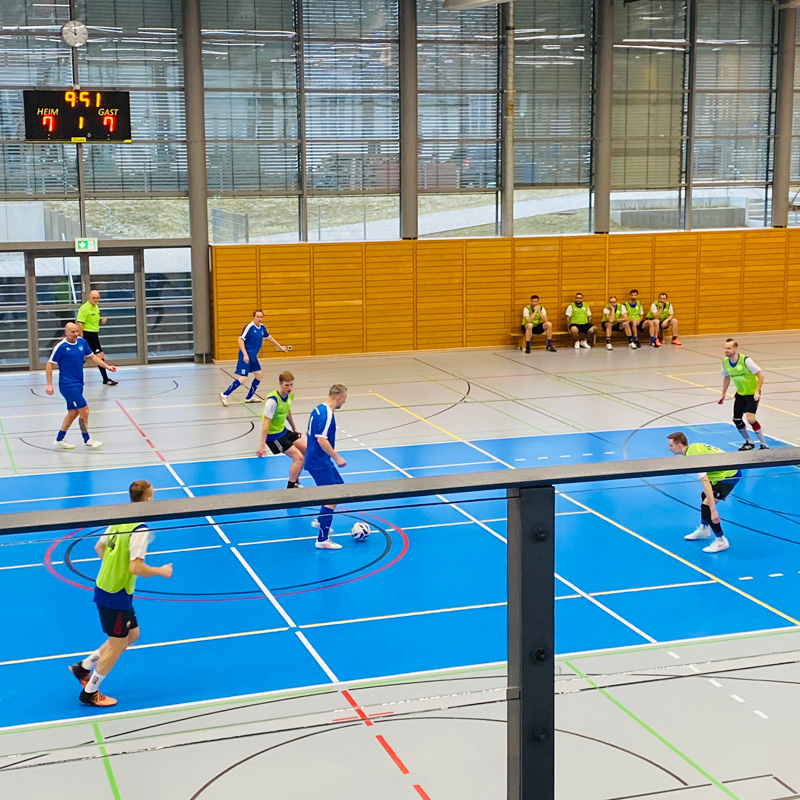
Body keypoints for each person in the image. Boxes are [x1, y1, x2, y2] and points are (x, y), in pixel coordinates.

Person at [68, 480, 173, 707]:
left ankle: (83, 667)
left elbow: (99, 547)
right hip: (114, 593)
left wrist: (113, 566)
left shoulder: (120, 517)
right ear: (147, 499)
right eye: (153, 494)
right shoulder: (139, 529)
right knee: (117, 645)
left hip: (115, 589)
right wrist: (161, 571)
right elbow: (136, 568)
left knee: (131, 636)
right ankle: (90, 692)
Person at [667, 432, 741, 553]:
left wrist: (713, 510)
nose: (669, 448)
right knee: (704, 496)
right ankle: (704, 529)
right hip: (724, 471)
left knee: (707, 506)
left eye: (671, 445)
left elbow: (706, 484)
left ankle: (721, 541)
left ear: (679, 445)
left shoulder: (694, 459)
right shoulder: (694, 447)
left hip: (729, 475)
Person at [46, 322, 116, 449]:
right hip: (67, 384)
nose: (75, 334)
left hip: (78, 383)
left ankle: (59, 439)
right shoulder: (61, 347)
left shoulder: (82, 342)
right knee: (84, 409)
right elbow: (49, 364)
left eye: (77, 331)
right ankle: (87, 439)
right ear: (66, 332)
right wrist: (49, 384)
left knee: (73, 412)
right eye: (72, 332)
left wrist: (107, 367)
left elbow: (93, 357)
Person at [305, 384, 349, 550]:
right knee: (332, 497)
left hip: (319, 459)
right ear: (339, 397)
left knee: (339, 487)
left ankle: (320, 520)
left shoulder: (317, 409)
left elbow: (309, 433)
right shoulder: (328, 414)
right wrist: (337, 457)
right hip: (319, 462)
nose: (344, 402)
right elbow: (321, 439)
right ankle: (322, 539)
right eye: (344, 399)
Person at [220, 311, 288, 406]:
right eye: (257, 316)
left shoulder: (262, 328)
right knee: (243, 378)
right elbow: (240, 340)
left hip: (253, 357)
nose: (259, 318)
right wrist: (245, 354)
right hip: (246, 356)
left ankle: (249, 397)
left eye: (261, 317)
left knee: (259, 375)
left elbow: (269, 337)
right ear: (254, 317)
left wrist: (280, 347)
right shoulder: (249, 327)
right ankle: (225, 394)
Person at [256, 371, 307, 488]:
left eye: (291, 385)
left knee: (306, 449)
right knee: (298, 458)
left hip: (283, 431)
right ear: (280, 384)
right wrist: (262, 445)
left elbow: (288, 410)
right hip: (273, 436)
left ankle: (295, 480)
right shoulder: (272, 401)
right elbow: (266, 423)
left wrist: (294, 428)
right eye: (286, 385)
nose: (289, 388)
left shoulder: (290, 394)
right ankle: (291, 487)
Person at [719, 338, 769, 451]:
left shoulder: (746, 360)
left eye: (729, 348)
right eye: (725, 348)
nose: (726, 350)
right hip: (740, 394)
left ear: (735, 348)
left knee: (751, 419)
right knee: (736, 419)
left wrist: (757, 391)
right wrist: (723, 394)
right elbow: (726, 378)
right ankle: (749, 442)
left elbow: (760, 375)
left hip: (752, 393)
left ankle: (763, 443)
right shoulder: (725, 362)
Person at [77, 289, 118, 386]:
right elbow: (79, 323)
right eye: (94, 298)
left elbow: (92, 319)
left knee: (86, 357)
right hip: (88, 334)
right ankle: (105, 379)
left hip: (94, 334)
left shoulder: (96, 307)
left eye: (97, 298)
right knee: (100, 356)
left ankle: (72, 371)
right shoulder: (84, 308)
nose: (96, 300)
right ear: (89, 297)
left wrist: (101, 320)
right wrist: (81, 337)